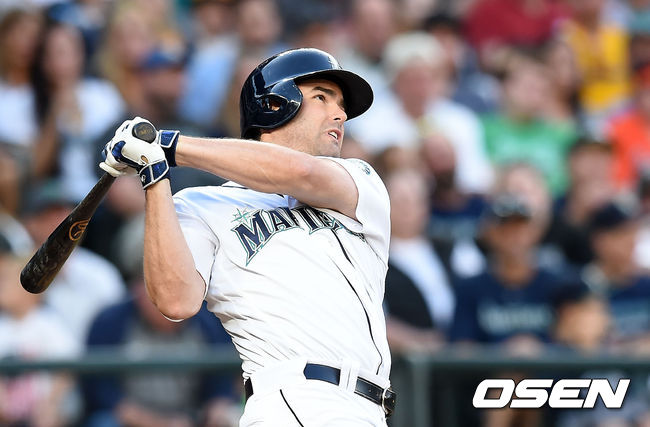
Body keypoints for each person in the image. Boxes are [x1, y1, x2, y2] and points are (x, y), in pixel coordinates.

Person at [99, 48, 395, 425]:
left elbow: (302, 173)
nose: (340, 114)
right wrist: (154, 175)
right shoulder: (202, 204)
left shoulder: (359, 179)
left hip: (367, 408)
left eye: (341, 105)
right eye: (322, 97)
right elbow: (176, 300)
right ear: (275, 104)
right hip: (290, 398)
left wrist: (169, 144)